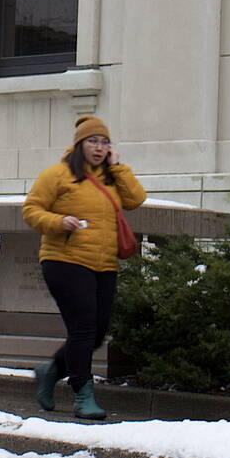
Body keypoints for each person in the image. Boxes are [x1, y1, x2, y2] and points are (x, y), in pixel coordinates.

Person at [23, 115, 146, 421]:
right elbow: (31, 209)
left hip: (104, 264)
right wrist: (57, 221)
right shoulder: (58, 174)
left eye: (105, 143)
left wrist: (118, 166)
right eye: (93, 141)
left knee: (98, 332)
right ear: (79, 144)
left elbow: (136, 199)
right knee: (83, 328)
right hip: (64, 260)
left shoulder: (110, 178)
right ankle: (83, 395)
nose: (100, 148)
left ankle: (50, 371)